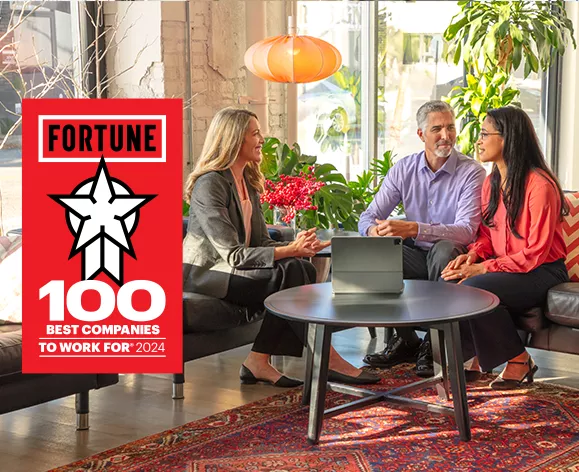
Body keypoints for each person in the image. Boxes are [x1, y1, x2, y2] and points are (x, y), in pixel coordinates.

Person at [183, 107, 380, 388]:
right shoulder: (210, 184)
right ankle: (324, 357)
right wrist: (291, 251)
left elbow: (262, 242)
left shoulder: (246, 182)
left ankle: (260, 361)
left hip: (234, 272)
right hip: (208, 275)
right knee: (292, 270)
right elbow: (233, 255)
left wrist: (298, 246)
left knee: (298, 268)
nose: (261, 139)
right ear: (235, 139)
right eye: (255, 133)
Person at [441, 106, 569, 389]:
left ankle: (519, 360)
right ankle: (472, 355)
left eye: (485, 134)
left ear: (508, 138)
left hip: (543, 270)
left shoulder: (540, 186)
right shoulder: (491, 182)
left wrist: (484, 267)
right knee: (456, 280)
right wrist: (473, 255)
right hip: (511, 267)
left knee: (476, 286)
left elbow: (535, 252)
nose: (478, 140)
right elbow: (487, 234)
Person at [359, 100, 486, 377]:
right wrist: (374, 231)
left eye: (450, 127)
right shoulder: (403, 170)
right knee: (378, 254)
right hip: (416, 253)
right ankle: (407, 341)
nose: (446, 135)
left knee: (442, 251)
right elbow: (368, 216)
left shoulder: (472, 172)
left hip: (453, 256)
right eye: (437, 129)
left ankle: (434, 344)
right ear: (421, 135)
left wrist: (415, 228)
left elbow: (466, 230)